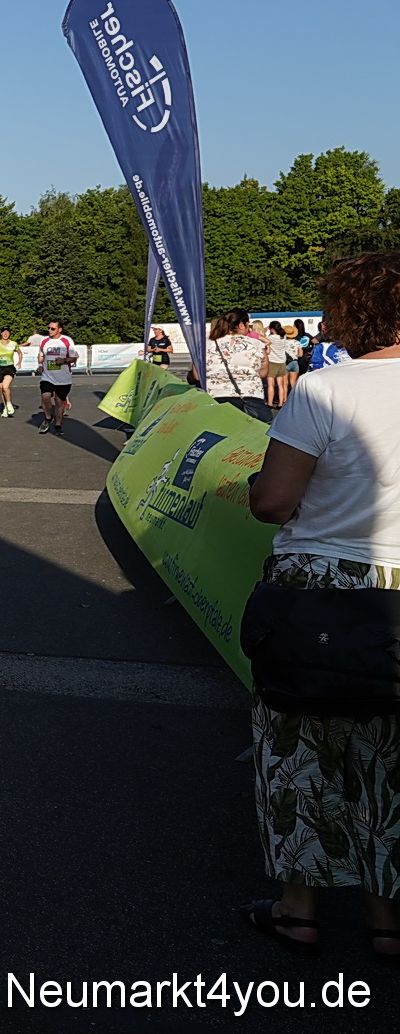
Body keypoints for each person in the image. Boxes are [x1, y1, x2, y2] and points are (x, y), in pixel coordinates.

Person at [240, 250, 400, 963]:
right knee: (389, 761)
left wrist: (254, 487)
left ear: (350, 313)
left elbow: (273, 501)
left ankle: (298, 912)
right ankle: (388, 920)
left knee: (300, 753)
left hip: (320, 591)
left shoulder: (323, 389)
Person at [196, 310, 270, 420]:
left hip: (214, 397)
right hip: (249, 397)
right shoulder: (257, 344)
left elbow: (197, 376)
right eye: (248, 325)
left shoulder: (205, 345)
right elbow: (263, 373)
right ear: (241, 325)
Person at [33, 320, 78, 436]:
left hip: (63, 378)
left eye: (53, 329)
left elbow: (74, 357)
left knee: (58, 402)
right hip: (47, 377)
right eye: (49, 328)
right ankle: (48, 418)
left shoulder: (67, 341)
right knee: (45, 396)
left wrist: (63, 360)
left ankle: (58, 425)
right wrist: (40, 365)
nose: (50, 330)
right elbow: (41, 355)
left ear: (60, 329)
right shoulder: (44, 341)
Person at [264, 320, 300, 409]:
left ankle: (270, 403)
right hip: (282, 362)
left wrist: (265, 330)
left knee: (271, 384)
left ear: (272, 329)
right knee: (280, 384)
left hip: (272, 361)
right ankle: (281, 403)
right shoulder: (283, 337)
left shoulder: (271, 338)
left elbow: (264, 339)